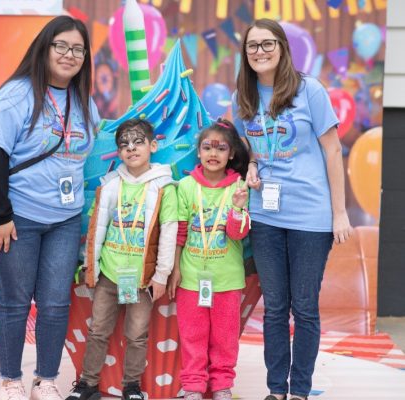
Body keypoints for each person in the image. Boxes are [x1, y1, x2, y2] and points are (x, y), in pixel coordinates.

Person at [0, 16, 100, 400]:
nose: (69, 54)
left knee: (55, 302)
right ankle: (10, 379)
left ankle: (46, 380)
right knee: (14, 301)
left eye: (78, 49)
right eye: (61, 46)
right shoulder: (16, 95)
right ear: (43, 49)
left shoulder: (83, 101)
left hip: (62, 218)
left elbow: (82, 158)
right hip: (15, 219)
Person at [232, 18, 353, 400]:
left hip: (310, 217)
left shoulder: (309, 91)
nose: (259, 52)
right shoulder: (243, 99)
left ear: (282, 48)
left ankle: (299, 390)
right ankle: (275, 390)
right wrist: (251, 165)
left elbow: (333, 150)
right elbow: (249, 146)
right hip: (265, 215)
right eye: (252, 46)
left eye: (267, 44)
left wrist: (339, 212)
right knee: (273, 309)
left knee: (304, 309)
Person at [66, 119, 178, 400]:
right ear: (118, 152)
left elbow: (169, 233)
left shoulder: (165, 187)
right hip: (109, 274)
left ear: (153, 146)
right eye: (124, 144)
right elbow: (97, 228)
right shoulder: (111, 184)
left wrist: (161, 275)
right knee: (98, 331)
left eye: (138, 142)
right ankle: (87, 384)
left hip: (141, 279)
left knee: (137, 335)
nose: (131, 148)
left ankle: (132, 386)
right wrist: (90, 265)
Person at [167, 119, 251, 400]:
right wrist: (175, 269)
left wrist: (238, 208)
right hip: (191, 279)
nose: (213, 153)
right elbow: (179, 232)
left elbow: (238, 235)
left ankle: (222, 386)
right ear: (199, 152)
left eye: (221, 148)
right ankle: (192, 386)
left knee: (225, 339)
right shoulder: (187, 186)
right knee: (192, 336)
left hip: (227, 280)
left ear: (231, 154)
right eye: (207, 147)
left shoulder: (239, 187)